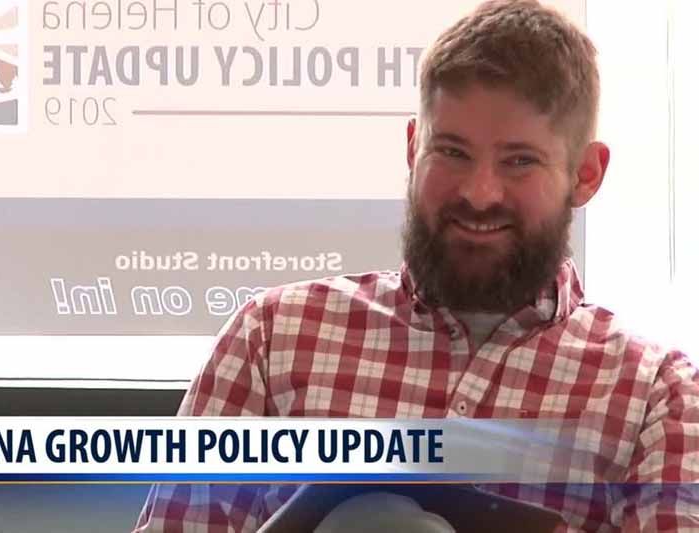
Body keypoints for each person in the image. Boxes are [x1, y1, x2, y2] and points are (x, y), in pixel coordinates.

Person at [133, 0, 699, 531]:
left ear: (586, 174)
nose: (479, 194)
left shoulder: (656, 395)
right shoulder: (272, 337)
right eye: (451, 152)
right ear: (413, 148)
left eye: (520, 161)